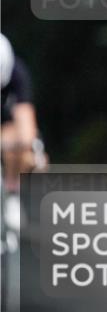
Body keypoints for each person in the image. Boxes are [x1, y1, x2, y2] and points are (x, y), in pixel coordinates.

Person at [0, 33, 43, 193]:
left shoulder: (17, 75)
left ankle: (13, 190)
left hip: (7, 133)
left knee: (32, 156)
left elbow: (26, 134)